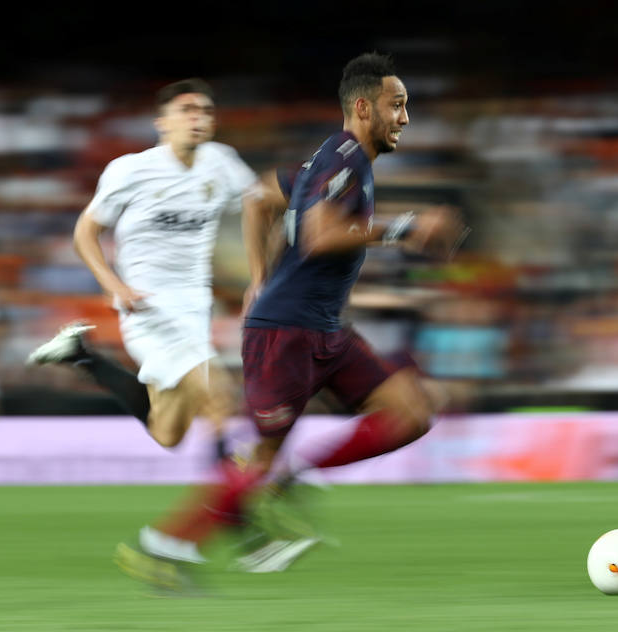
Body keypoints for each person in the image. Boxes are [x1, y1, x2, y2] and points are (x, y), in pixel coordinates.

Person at [200, 52, 467, 573]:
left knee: (410, 411)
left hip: (317, 328)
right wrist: (407, 228)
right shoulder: (343, 157)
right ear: (364, 108)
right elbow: (321, 235)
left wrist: (258, 279)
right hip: (288, 330)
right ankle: (172, 546)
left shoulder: (330, 159)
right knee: (259, 460)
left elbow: (257, 198)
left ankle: (282, 481)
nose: (406, 119)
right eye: (398, 105)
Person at [26, 78, 272, 588]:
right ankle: (236, 532)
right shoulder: (131, 170)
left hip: (194, 311)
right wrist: (115, 285)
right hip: (149, 313)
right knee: (223, 403)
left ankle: (82, 356)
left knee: (169, 433)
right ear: (163, 122)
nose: (198, 117)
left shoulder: (221, 163)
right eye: (186, 110)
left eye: (205, 109)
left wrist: (259, 275)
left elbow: (258, 203)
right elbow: (84, 232)